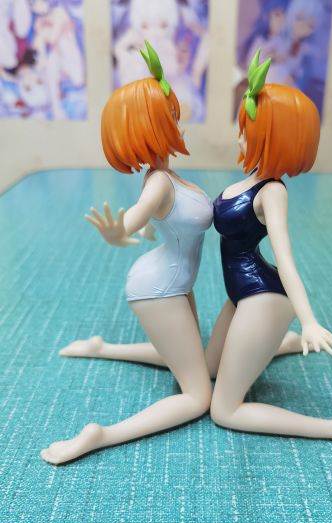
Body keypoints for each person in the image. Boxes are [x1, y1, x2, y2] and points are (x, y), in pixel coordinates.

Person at [40, 41, 213, 465]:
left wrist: (141, 229)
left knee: (190, 356)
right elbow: (137, 215)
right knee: (198, 396)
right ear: (149, 127)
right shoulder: (158, 182)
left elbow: (159, 223)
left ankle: (103, 347)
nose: (177, 121)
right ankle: (101, 435)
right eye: (168, 115)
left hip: (175, 281)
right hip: (160, 288)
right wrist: (120, 231)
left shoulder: (168, 176)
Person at [210, 50, 332, 449]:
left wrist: (308, 320)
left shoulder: (272, 192)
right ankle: (282, 343)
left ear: (274, 139)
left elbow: (286, 259)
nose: (239, 136)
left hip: (263, 298)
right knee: (209, 366)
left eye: (248, 130)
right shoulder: (245, 181)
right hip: (240, 293)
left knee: (224, 410)